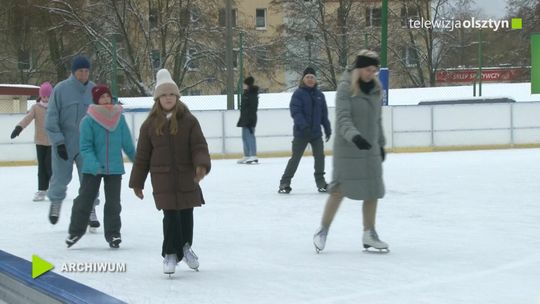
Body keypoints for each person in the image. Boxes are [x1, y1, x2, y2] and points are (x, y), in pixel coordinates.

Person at [129, 69, 211, 275]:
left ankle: (185, 246)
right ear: (158, 98)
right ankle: (170, 254)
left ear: (177, 97)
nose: (168, 98)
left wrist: (201, 165)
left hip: (186, 177)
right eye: (164, 95)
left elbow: (199, 146)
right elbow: (142, 157)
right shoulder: (149, 125)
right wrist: (137, 182)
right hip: (163, 180)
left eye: (171, 94)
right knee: (170, 217)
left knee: (186, 215)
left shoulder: (189, 121)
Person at [313, 50, 388, 253]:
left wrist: (380, 143)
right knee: (338, 191)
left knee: (372, 191)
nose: (370, 74)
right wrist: (355, 136)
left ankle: (369, 233)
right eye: (367, 69)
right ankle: (323, 230)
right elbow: (343, 119)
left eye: (374, 70)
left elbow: (377, 120)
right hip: (348, 148)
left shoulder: (375, 89)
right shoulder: (346, 88)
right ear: (358, 68)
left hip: (369, 148)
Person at [65, 85, 135, 249]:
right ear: (96, 100)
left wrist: (137, 161)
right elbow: (85, 147)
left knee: (113, 204)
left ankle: (113, 234)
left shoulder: (120, 118)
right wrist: (94, 163)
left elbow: (127, 143)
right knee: (84, 200)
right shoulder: (88, 120)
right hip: (93, 168)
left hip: (114, 168)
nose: (105, 100)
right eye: (101, 97)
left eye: (107, 96)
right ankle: (75, 231)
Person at [45, 55, 100, 226]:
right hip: (65, 142)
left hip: (87, 143)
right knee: (60, 177)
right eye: (80, 71)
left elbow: (101, 116)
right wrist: (59, 141)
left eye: (86, 71)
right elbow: (51, 118)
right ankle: (56, 203)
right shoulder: (61, 89)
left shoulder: (94, 90)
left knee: (89, 178)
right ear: (74, 72)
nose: (83, 74)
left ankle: (91, 209)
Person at [278, 67, 331, 194]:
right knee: (295, 158)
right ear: (303, 79)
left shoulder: (320, 95)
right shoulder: (298, 94)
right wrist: (304, 126)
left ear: (315, 79)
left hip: (316, 134)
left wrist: (327, 128)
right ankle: (284, 182)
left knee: (320, 157)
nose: (310, 79)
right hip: (301, 133)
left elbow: (324, 114)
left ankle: (321, 183)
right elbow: (296, 112)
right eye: (307, 77)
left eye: (312, 77)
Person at [10, 82, 53, 201]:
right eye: (44, 96)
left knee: (50, 165)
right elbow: (27, 118)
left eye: (48, 96)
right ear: (40, 96)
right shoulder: (35, 108)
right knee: (42, 167)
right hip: (40, 141)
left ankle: (54, 189)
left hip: (53, 142)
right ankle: (42, 190)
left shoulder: (55, 107)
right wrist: (19, 128)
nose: (46, 98)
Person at [236, 76, 259, 164]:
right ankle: (247, 155)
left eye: (244, 84)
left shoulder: (252, 94)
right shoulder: (246, 93)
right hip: (244, 118)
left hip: (250, 119)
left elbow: (252, 108)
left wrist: (249, 120)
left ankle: (253, 155)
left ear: (248, 84)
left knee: (250, 137)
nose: (243, 86)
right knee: (244, 137)